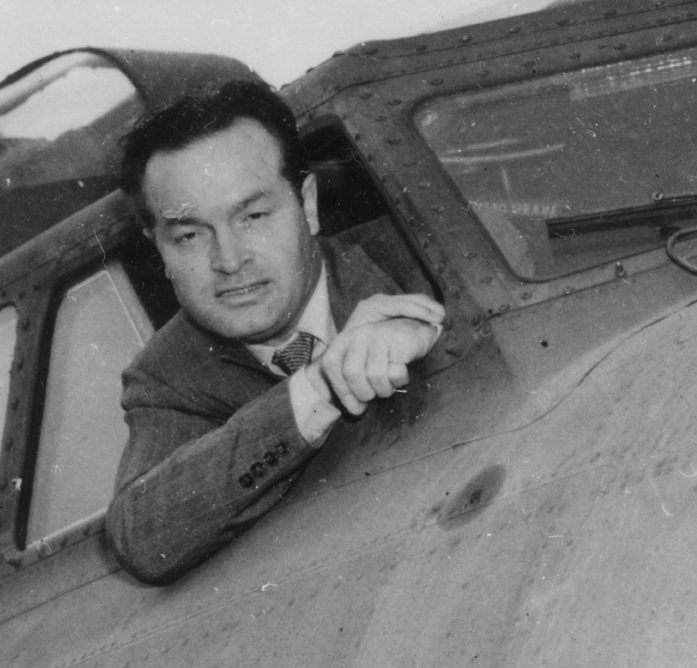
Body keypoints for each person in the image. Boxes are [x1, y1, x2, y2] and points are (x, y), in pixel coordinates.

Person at [106, 81, 444, 584]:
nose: (230, 260)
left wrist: (429, 325)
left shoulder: (418, 256)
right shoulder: (167, 375)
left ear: (307, 205)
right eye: (191, 235)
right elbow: (144, 536)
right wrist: (319, 386)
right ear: (158, 247)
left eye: (255, 216)